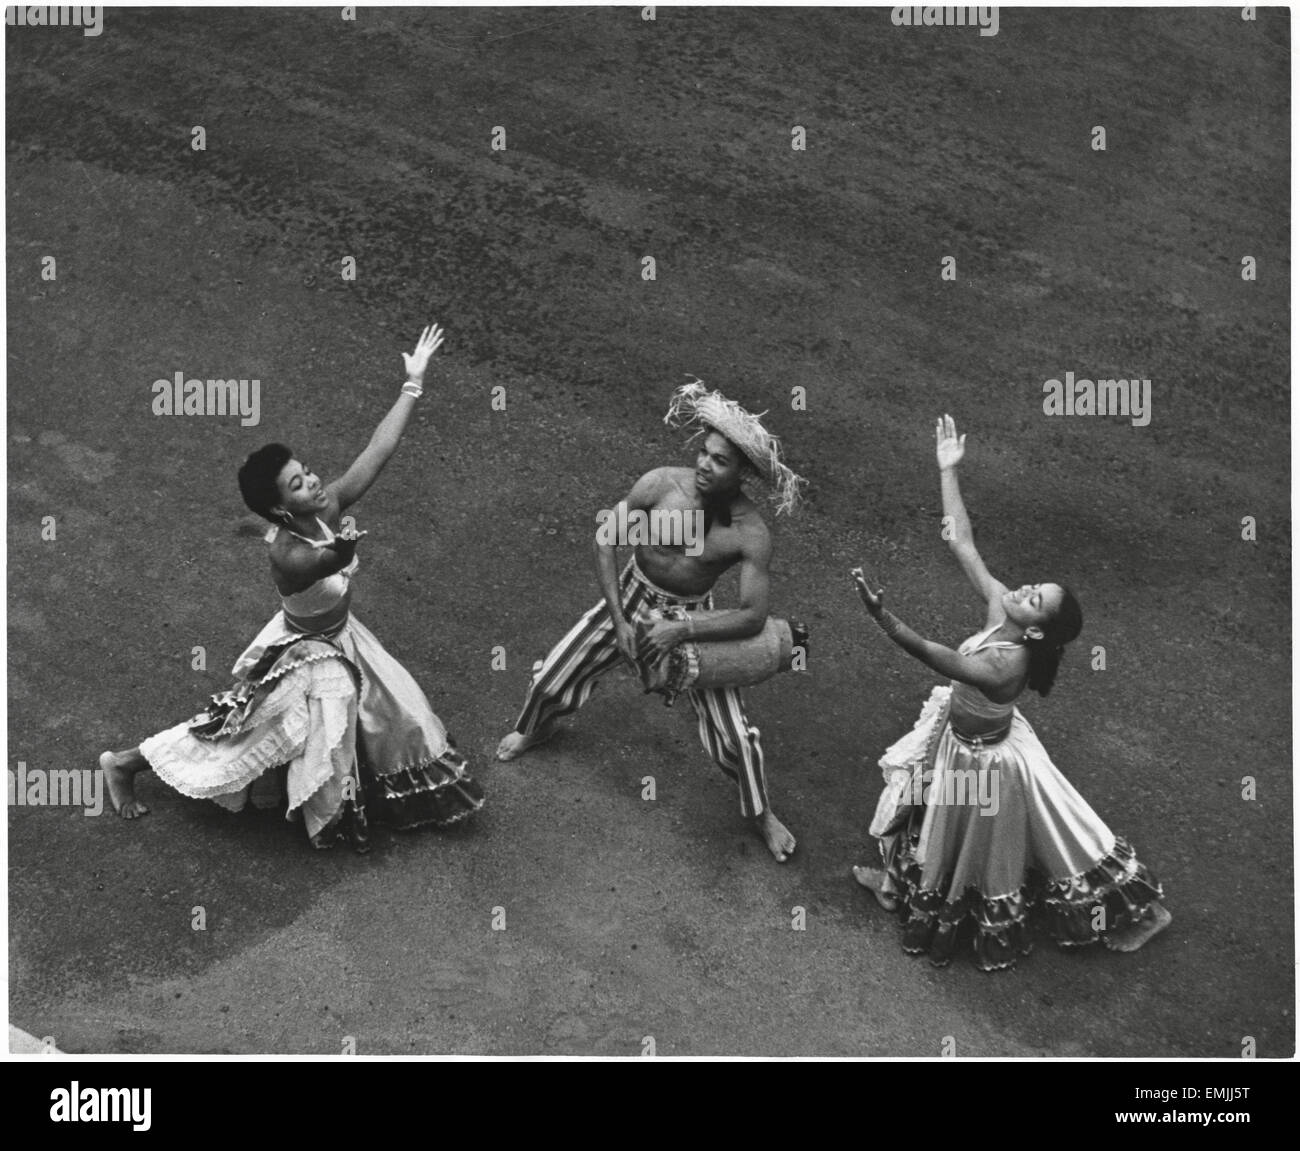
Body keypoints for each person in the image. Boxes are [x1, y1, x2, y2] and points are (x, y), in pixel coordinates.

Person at [100, 324, 483, 850]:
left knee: (406, 716)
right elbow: (330, 560)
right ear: (282, 508)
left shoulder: (325, 507)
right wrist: (344, 549)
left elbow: (379, 451)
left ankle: (394, 796)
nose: (314, 482)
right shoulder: (289, 554)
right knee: (241, 731)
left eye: (307, 472)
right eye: (299, 483)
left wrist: (412, 383)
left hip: (342, 638)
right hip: (303, 653)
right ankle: (122, 763)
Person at [850, 414, 1170, 969]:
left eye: (1033, 598)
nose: (1021, 588)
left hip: (988, 764)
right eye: (1033, 586)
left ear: (1037, 628)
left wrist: (881, 617)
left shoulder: (1005, 664)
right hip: (957, 737)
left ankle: (1145, 913)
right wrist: (948, 470)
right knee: (923, 805)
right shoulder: (1004, 608)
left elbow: (933, 654)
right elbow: (962, 543)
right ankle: (895, 883)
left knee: (1065, 836)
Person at [495, 379, 806, 862]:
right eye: (704, 452)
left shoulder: (750, 533)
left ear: (742, 472)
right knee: (553, 678)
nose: (705, 464)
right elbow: (606, 540)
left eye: (721, 461)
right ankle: (538, 728)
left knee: (737, 737)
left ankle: (760, 813)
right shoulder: (661, 484)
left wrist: (681, 629)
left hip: (695, 618)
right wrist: (620, 620)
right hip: (633, 594)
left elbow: (751, 617)